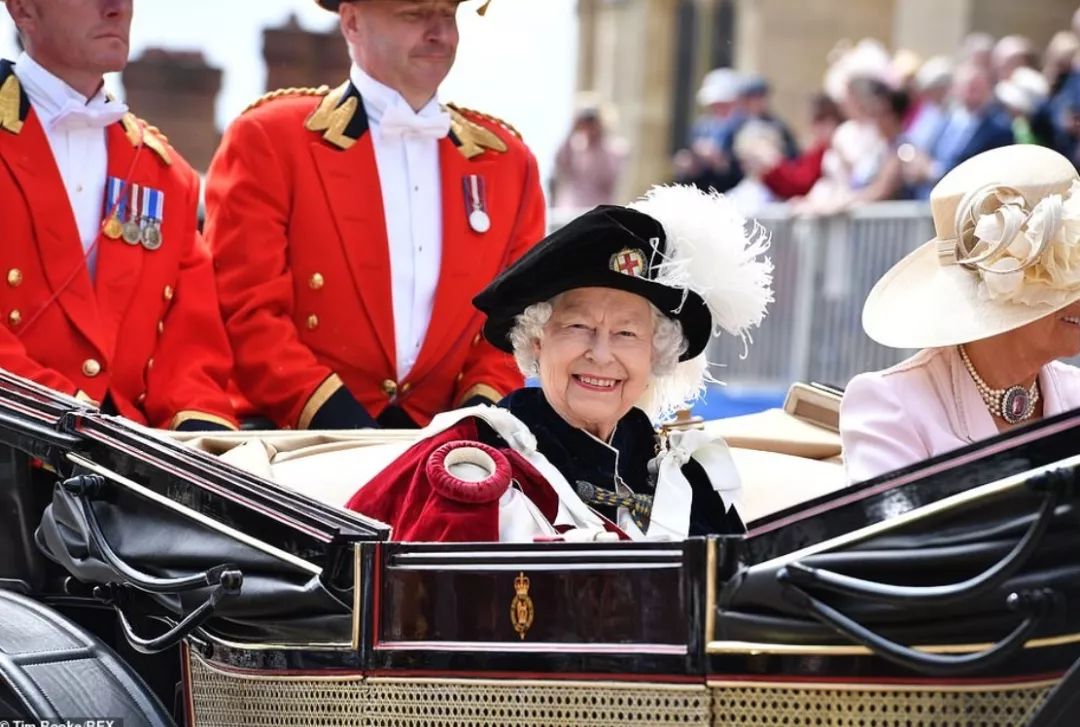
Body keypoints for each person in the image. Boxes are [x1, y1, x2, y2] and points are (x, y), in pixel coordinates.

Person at [347, 185, 774, 542]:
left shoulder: (688, 479)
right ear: (536, 342)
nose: (602, 354)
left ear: (654, 355)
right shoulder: (477, 460)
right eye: (578, 326)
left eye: (626, 334)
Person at [204, 0, 545, 430]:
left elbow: (517, 322)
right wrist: (344, 424)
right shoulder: (270, 139)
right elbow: (244, 309)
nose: (439, 33)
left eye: (448, 15)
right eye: (414, 15)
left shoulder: (509, 164)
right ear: (351, 22)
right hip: (296, 440)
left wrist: (470, 424)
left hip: (446, 450)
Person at [0, 0, 236, 430]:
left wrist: (203, 444)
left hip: (125, 472)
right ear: (23, 10)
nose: (116, 8)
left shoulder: (166, 174)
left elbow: (190, 351)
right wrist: (77, 423)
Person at [840, 145, 1080, 483]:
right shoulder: (891, 405)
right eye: (1067, 280)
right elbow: (904, 536)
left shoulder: (1074, 392)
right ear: (1006, 287)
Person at [550, 96, 626, 212]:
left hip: (598, 211)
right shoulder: (575, 146)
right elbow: (560, 163)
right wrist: (572, 129)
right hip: (570, 210)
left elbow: (608, 177)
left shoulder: (615, 149)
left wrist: (600, 136)